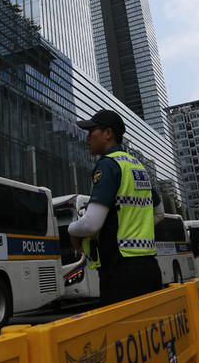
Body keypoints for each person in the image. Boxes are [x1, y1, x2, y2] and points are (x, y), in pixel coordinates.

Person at [68, 109, 163, 306]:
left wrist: (72, 231)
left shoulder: (108, 165)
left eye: (91, 131)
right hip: (150, 267)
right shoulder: (137, 167)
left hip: (120, 272)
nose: (87, 138)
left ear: (108, 133)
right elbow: (159, 213)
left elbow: (92, 223)